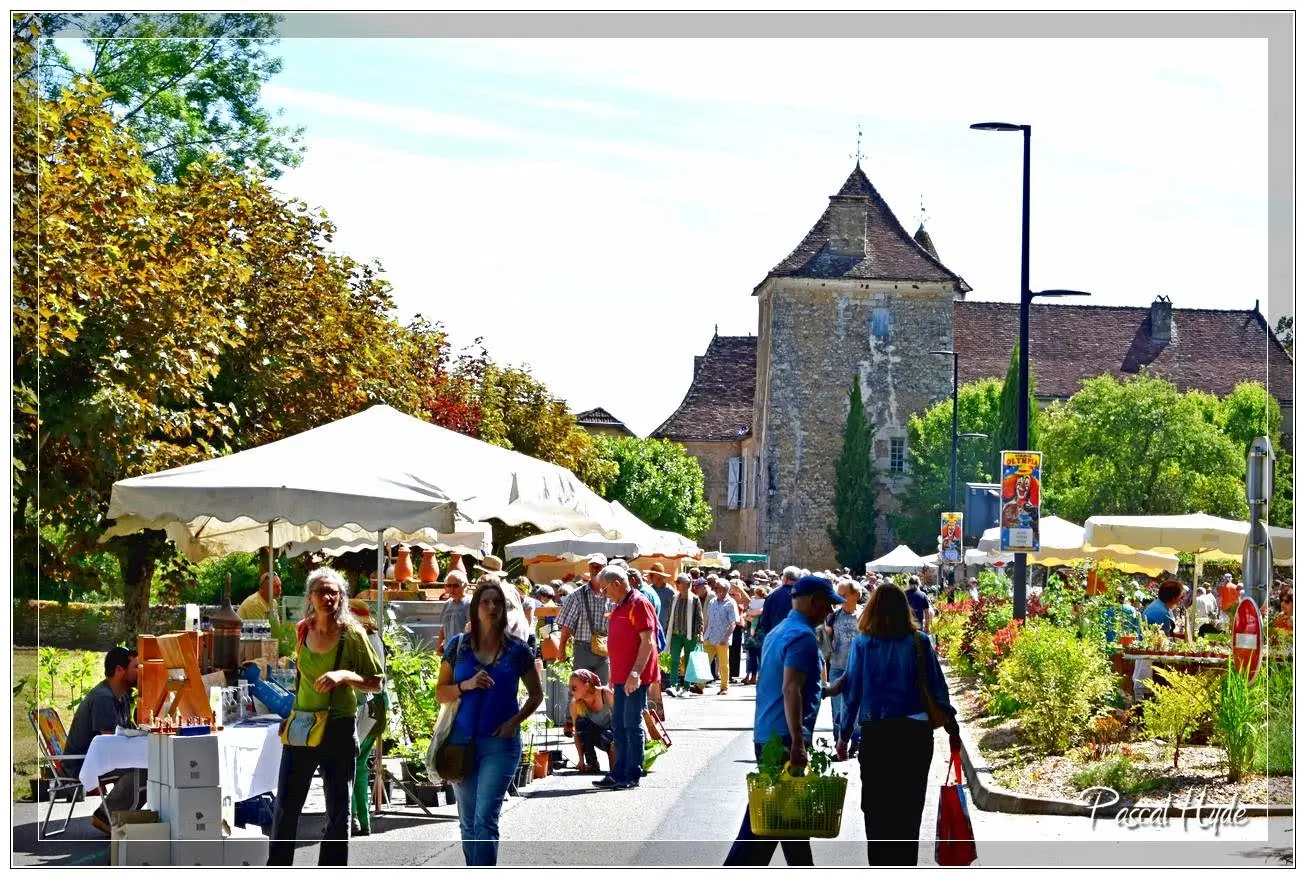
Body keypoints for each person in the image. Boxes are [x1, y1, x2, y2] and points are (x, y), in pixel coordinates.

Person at [830, 582, 961, 867]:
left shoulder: (863, 643)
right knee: (909, 810)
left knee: (876, 809)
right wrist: (952, 725)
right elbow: (938, 687)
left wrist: (843, 736)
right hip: (915, 734)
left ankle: (879, 866)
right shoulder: (919, 641)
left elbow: (853, 692)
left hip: (878, 733)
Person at [269, 568, 384, 866]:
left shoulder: (353, 634)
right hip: (303, 725)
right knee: (286, 806)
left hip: (338, 726)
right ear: (310, 597)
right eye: (322, 591)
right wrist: (293, 713)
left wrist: (344, 675)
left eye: (334, 592)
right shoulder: (303, 630)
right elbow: (301, 678)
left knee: (338, 809)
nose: (328, 596)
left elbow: (376, 682)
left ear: (342, 597)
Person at [723, 575, 840, 866]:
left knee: (785, 822)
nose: (830, 612)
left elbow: (787, 685)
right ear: (814, 602)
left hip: (769, 733)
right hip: (784, 738)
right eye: (828, 605)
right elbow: (791, 688)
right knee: (768, 823)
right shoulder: (801, 637)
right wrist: (798, 742)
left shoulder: (780, 631)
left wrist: (830, 689)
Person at [435, 578, 544, 866]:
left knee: (485, 819)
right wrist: (466, 685)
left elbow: (536, 695)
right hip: (461, 742)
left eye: (498, 602)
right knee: (468, 822)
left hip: (500, 744)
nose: (492, 606)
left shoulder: (518, 650)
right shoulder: (458, 647)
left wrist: (514, 722)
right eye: (486, 601)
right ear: (476, 608)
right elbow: (440, 692)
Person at [593, 564, 658, 790]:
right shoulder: (620, 604)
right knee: (619, 724)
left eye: (605, 588)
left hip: (634, 676)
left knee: (631, 723)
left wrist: (634, 673)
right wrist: (615, 675)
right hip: (621, 675)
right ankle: (618, 771)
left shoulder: (639, 604)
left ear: (617, 584)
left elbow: (647, 641)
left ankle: (632, 773)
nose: (604, 593)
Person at [65, 646, 141, 834]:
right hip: (83, 763)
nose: (140, 672)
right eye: (136, 667)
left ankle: (121, 816)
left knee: (149, 767)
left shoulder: (121, 697)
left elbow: (124, 733)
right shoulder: (103, 699)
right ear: (119, 670)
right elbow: (111, 743)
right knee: (142, 771)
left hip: (99, 757)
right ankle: (105, 817)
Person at [347, 599, 387, 836]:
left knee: (350, 765)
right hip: (378, 708)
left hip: (364, 708)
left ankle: (352, 819)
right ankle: (362, 819)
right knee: (360, 765)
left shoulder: (360, 640)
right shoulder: (376, 637)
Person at [557, 557, 615, 681]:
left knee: (602, 690)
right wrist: (561, 648)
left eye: (598, 566)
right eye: (592, 566)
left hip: (605, 649)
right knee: (579, 690)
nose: (594, 569)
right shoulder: (577, 595)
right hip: (583, 648)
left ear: (605, 569)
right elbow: (567, 625)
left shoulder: (611, 595)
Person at [825, 579, 863, 757]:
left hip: (859, 669)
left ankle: (855, 742)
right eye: (838, 595)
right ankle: (839, 745)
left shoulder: (864, 616)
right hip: (837, 667)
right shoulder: (833, 616)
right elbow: (825, 644)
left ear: (857, 596)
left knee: (855, 708)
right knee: (838, 708)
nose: (839, 599)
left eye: (843, 595)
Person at [664, 572, 705, 696]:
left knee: (688, 661)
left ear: (687, 585)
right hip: (675, 634)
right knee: (674, 660)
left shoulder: (694, 599)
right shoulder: (674, 598)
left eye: (678, 582)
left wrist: (700, 633)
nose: (676, 584)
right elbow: (669, 615)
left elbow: (699, 617)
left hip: (690, 635)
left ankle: (686, 688)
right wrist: (666, 631)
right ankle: (673, 685)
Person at [568, 669, 615, 774]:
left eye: (574, 687)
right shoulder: (575, 703)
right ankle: (591, 763)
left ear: (587, 685)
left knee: (608, 735)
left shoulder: (605, 693)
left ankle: (617, 763)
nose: (571, 691)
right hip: (599, 736)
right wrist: (581, 760)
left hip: (614, 737)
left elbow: (622, 720)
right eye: (570, 688)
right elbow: (577, 734)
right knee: (581, 723)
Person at [703, 579, 740, 694]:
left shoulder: (730, 603)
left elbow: (733, 622)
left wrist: (726, 637)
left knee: (724, 664)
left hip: (722, 638)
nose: (717, 591)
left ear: (725, 590)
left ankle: (724, 688)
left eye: (719, 588)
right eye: (716, 588)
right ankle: (700, 686)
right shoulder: (712, 601)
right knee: (704, 662)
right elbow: (708, 619)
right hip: (709, 636)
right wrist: (703, 633)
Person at [756, 565, 802, 644]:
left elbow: (764, 619)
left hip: (776, 639)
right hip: (798, 640)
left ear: (785, 579)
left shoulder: (773, 595)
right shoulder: (804, 595)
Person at [437, 569, 471, 653]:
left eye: (456, 586)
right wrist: (440, 645)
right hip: (448, 651)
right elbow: (443, 627)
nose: (452, 590)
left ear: (465, 585)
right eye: (449, 586)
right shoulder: (447, 604)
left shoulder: (470, 603)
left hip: (464, 651)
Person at [742, 585, 767, 686]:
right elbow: (746, 614)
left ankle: (760, 676)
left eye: (756, 595)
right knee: (751, 655)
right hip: (751, 631)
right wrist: (750, 614)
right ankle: (752, 676)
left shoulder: (765, 604)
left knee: (760, 655)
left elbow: (759, 612)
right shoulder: (752, 603)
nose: (755, 596)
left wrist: (751, 613)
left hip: (760, 632)